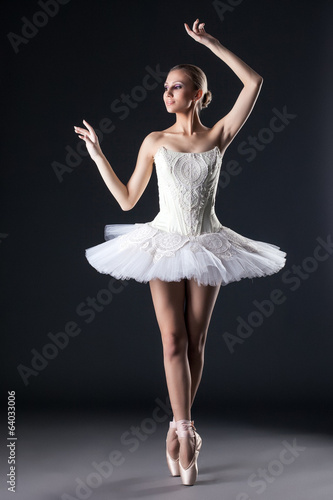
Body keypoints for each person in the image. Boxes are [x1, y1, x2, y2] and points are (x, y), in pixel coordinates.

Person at [74, 19, 286, 486]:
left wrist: (209, 43)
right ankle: (185, 430)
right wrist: (97, 154)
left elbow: (254, 83)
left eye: (177, 86)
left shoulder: (217, 137)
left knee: (196, 341)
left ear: (197, 95)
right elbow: (128, 199)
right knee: (172, 340)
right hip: (164, 243)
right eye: (165, 87)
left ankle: (178, 426)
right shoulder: (156, 141)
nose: (167, 93)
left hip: (208, 242)